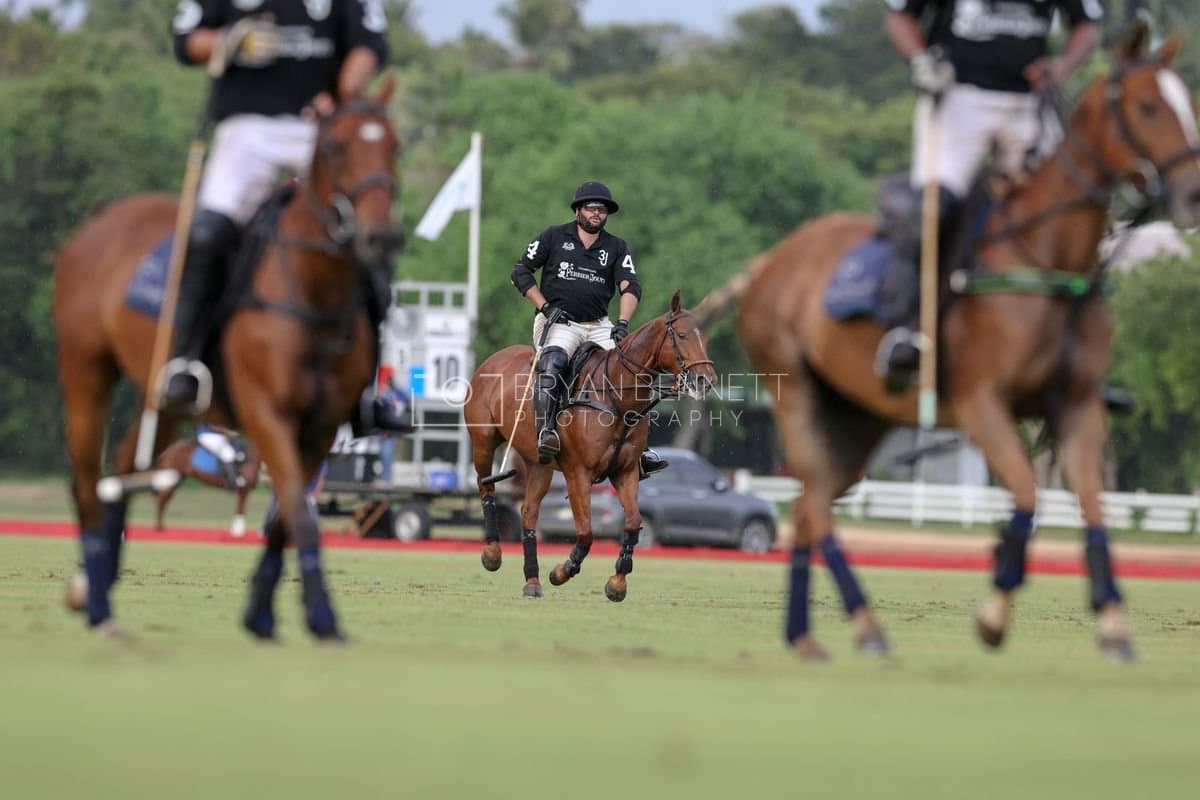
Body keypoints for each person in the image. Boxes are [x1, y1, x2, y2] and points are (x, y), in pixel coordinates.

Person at [164, 0, 407, 433]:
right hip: (246, 129)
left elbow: (367, 45)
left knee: (370, 236)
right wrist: (228, 41)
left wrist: (344, 96)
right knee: (207, 233)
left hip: (320, 127)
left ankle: (367, 387)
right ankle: (186, 361)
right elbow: (186, 40)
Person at [876, 0, 1104, 391]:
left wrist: (1062, 66)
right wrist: (920, 60)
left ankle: (1075, 339)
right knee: (932, 210)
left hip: (1029, 104)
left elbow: (1087, 24)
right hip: (958, 98)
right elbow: (898, 16)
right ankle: (907, 330)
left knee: (1068, 211)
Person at [509, 181, 666, 478]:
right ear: (578, 210)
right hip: (560, 322)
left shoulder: (616, 247)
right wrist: (544, 306)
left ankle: (640, 449)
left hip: (598, 325)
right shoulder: (554, 237)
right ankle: (547, 433)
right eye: (592, 208)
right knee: (553, 363)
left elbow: (630, 286)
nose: (597, 213)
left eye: (602, 209)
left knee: (632, 371)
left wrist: (622, 324)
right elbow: (520, 272)